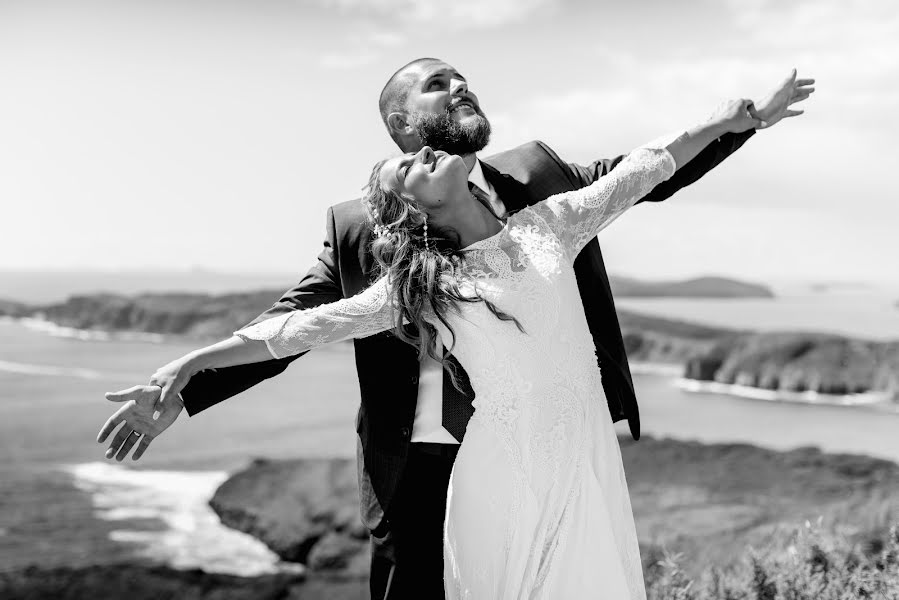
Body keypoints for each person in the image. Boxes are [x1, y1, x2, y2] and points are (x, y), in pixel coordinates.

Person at [97, 58, 814, 598]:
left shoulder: (540, 183)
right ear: (404, 128)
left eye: (463, 77)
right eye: (439, 83)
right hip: (420, 464)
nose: (462, 87)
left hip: (560, 441)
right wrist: (184, 385)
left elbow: (646, 170)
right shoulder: (357, 226)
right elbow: (294, 325)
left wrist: (741, 121)